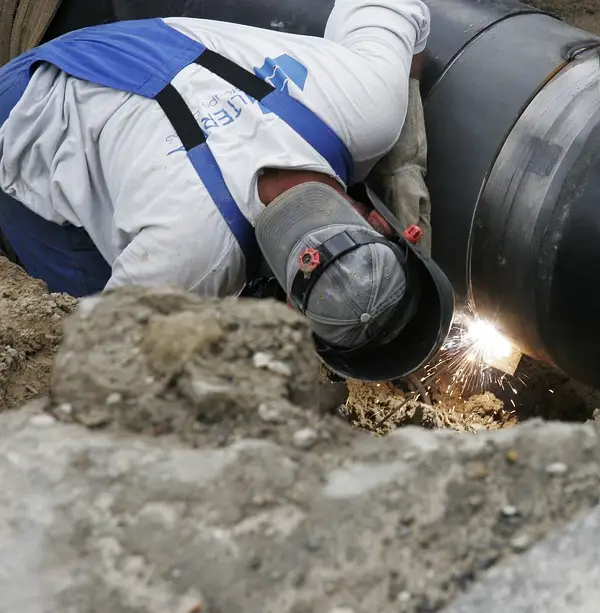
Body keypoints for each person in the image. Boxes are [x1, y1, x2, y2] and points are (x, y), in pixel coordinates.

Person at [0, 0, 452, 380]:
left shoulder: (368, 105)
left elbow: (398, 6)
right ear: (290, 314)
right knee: (92, 315)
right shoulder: (188, 265)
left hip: (129, 44)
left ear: (380, 224)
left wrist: (402, 157)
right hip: (26, 111)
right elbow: (101, 367)